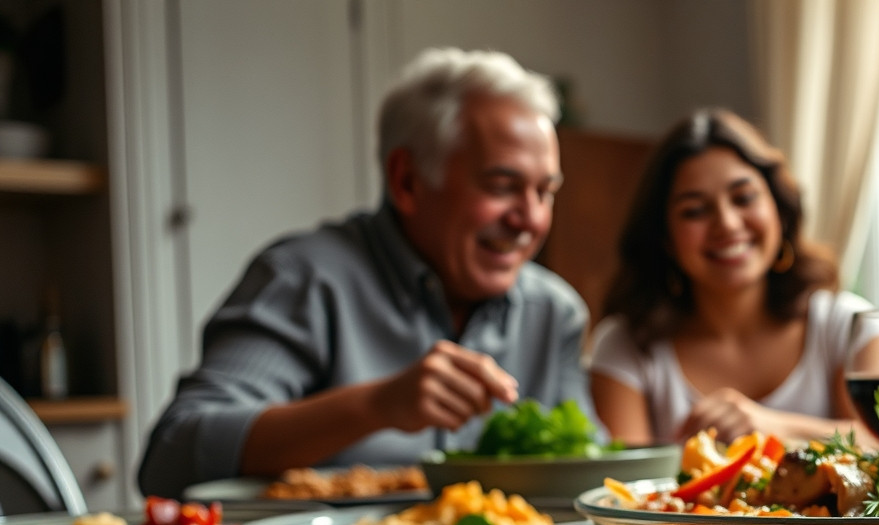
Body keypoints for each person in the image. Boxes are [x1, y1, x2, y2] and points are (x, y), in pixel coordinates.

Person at [137, 48, 592, 498]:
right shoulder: (304, 279)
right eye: (501, 187)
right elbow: (172, 458)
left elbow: (593, 473)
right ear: (407, 181)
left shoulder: (555, 313)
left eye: (545, 192)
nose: (531, 220)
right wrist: (378, 405)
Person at [587, 108, 879, 446]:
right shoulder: (625, 344)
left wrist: (774, 427)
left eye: (744, 198)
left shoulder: (849, 326)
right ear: (664, 237)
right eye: (694, 211)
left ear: (780, 210)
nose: (726, 223)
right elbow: (623, 489)